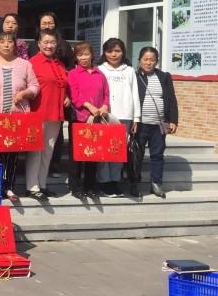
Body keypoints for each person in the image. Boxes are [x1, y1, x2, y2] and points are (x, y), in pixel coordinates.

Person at [0, 32, 39, 203]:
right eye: (2, 42)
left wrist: (24, 93)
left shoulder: (25, 64)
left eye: (9, 42)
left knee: (12, 155)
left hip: (16, 118)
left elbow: (35, 86)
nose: (6, 45)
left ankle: (9, 187)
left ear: (15, 45)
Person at [27, 29, 69, 201]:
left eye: (52, 42)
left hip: (56, 112)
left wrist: (66, 96)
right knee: (36, 150)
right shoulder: (32, 63)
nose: (49, 45)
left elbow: (63, 84)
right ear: (38, 44)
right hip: (38, 111)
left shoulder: (59, 63)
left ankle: (42, 184)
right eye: (45, 42)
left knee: (48, 151)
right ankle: (32, 185)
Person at [67, 41, 110, 199]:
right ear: (76, 57)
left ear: (92, 54)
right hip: (80, 118)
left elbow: (106, 94)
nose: (83, 58)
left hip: (97, 119)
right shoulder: (73, 74)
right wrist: (88, 106)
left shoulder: (100, 74)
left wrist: (105, 106)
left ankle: (90, 185)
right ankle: (75, 186)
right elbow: (74, 96)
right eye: (79, 55)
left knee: (93, 154)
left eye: (86, 54)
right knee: (77, 154)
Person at [98, 38, 141, 197]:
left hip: (125, 116)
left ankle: (115, 181)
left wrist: (136, 117)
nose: (114, 54)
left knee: (118, 151)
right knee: (104, 150)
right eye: (110, 51)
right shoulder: (100, 70)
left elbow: (135, 93)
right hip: (106, 116)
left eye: (117, 51)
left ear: (123, 52)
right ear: (104, 52)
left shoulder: (129, 71)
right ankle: (104, 182)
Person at [136, 46, 179, 198]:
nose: (148, 62)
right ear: (139, 60)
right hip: (139, 123)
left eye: (152, 60)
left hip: (161, 123)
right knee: (136, 154)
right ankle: (134, 183)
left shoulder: (165, 76)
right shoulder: (134, 76)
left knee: (158, 154)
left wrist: (173, 120)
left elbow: (171, 100)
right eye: (145, 59)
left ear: (157, 61)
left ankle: (156, 183)